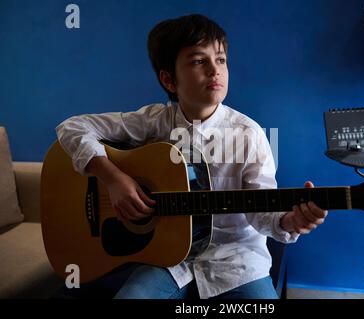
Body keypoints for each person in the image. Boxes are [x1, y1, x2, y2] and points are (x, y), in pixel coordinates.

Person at [56, 13, 328, 299]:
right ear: (169, 80)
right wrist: (113, 179)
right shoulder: (154, 121)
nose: (215, 70)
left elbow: (262, 213)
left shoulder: (250, 134)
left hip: (236, 262)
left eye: (221, 59)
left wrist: (289, 222)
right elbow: (72, 127)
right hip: (168, 258)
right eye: (199, 61)